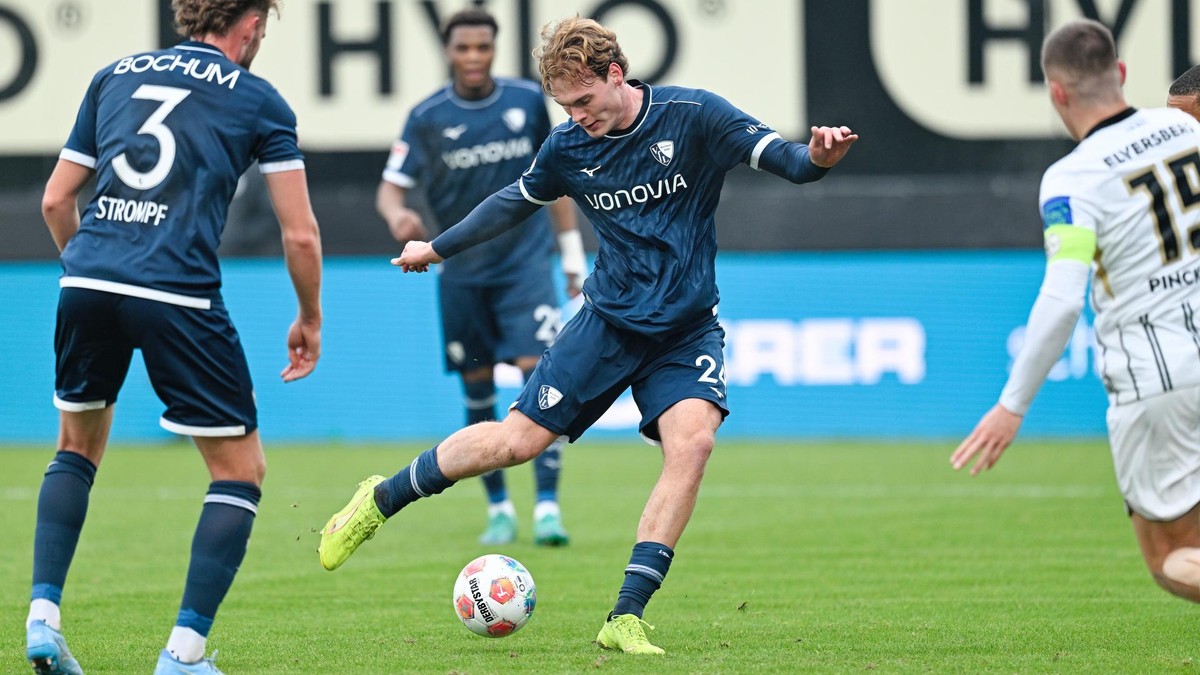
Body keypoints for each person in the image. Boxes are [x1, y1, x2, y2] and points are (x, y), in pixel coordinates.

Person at [320, 16, 855, 654]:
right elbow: (513, 202)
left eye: (583, 100)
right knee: (515, 443)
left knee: (694, 444)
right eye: (564, 106)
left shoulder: (695, 116)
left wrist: (819, 158)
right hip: (607, 324)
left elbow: (790, 161)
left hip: (684, 330)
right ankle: (379, 498)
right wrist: (436, 248)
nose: (577, 116)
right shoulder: (569, 146)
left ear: (615, 73)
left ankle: (625, 616)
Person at [28, 1, 323, 673]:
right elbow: (300, 232)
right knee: (239, 470)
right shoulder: (258, 100)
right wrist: (310, 316)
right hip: (177, 290)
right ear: (250, 23)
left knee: (75, 447)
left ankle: (42, 618)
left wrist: (91, 272)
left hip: (87, 279)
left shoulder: (113, 75)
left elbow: (54, 199)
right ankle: (182, 655)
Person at [951, 20, 1200, 606]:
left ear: (1056, 93)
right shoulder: (1182, 128)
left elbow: (1063, 299)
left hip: (1157, 379)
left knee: (1171, 558)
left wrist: (1011, 406)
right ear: (1120, 73)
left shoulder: (1071, 180)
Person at [376, 7, 583, 547]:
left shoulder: (524, 102)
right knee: (477, 387)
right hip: (463, 274)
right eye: (463, 48)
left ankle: (546, 507)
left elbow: (555, 181)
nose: (473, 57)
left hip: (525, 267)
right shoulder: (426, 117)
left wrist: (570, 254)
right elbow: (390, 188)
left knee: (539, 376)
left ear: (494, 50)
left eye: (483, 48)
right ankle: (498, 509)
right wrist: (399, 217)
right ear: (448, 51)